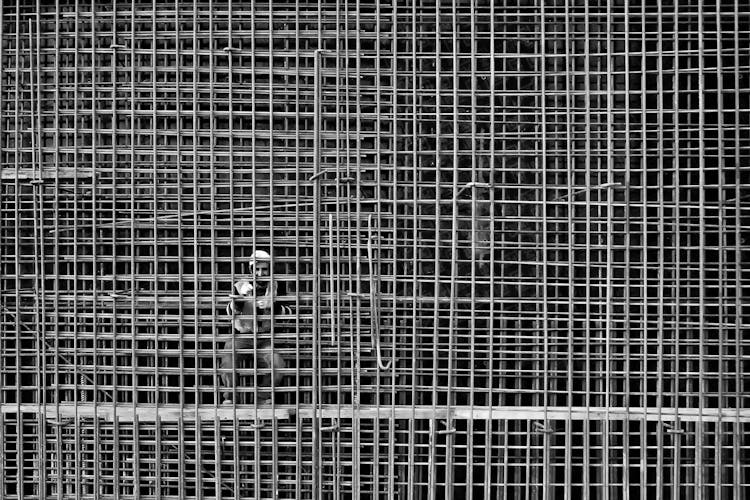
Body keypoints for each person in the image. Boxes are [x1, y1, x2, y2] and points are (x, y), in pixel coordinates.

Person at [220, 250, 288, 404]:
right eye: (257, 269)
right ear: (251, 269)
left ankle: (262, 398)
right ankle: (230, 398)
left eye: (264, 269)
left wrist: (275, 306)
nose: (260, 273)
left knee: (278, 364)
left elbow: (290, 312)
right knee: (228, 356)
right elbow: (229, 311)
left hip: (265, 339)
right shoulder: (240, 285)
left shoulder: (277, 286)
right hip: (243, 336)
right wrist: (239, 299)